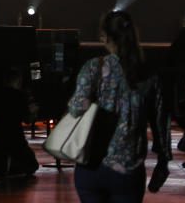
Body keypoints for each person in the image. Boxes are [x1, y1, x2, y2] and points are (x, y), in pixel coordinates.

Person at [68, 11, 171, 203]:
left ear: (105, 36)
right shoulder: (147, 75)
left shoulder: (92, 68)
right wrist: (163, 161)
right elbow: (160, 121)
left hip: (91, 166)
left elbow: (76, 110)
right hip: (129, 168)